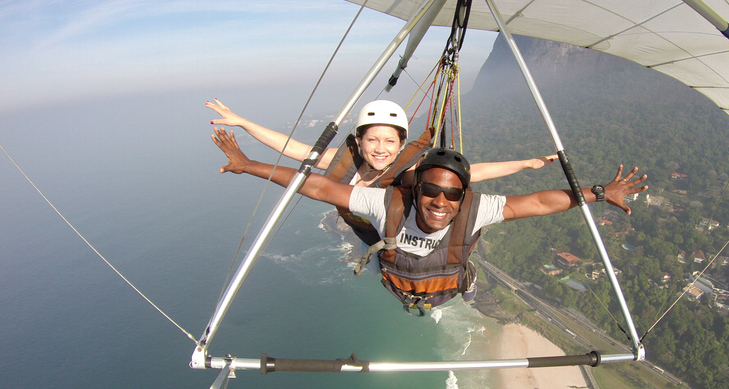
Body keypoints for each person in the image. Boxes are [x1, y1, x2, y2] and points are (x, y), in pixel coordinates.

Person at [212, 128, 648, 315]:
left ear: (464, 196)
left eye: (452, 194)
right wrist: (249, 164)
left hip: (448, 288)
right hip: (398, 283)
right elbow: (321, 189)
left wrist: (595, 193)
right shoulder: (389, 203)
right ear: (416, 188)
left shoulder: (478, 209)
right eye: (431, 191)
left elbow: (535, 202)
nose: (441, 201)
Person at [208, 98, 557, 246]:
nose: (380, 149)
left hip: (403, 235)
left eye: (389, 142)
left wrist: (526, 163)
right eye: (372, 140)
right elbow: (293, 148)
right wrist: (242, 121)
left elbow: (472, 173)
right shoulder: (342, 160)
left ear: (400, 143)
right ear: (358, 142)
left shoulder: (411, 166)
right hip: (364, 231)